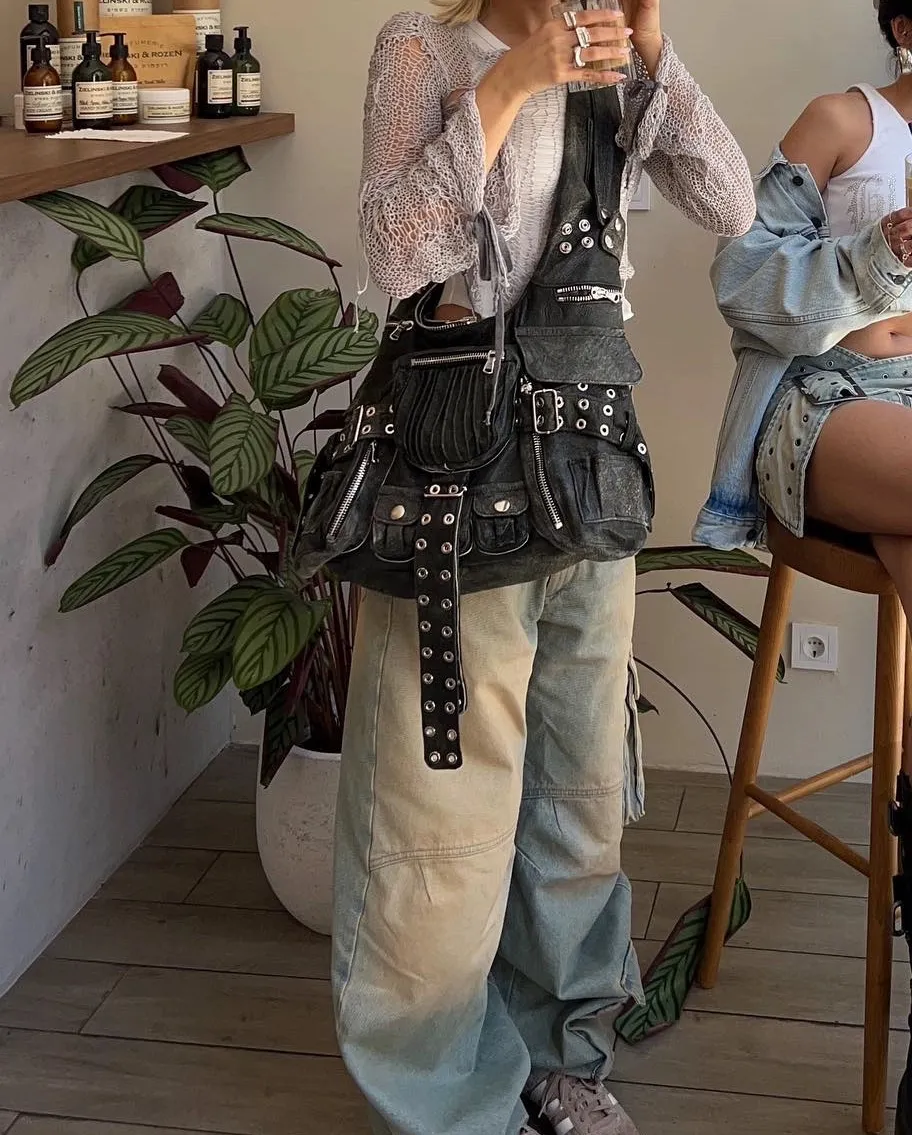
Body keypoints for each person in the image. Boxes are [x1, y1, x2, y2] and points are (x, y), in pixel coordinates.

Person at [328, 2, 754, 1134]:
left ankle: (562, 1057)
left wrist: (652, 51)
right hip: (452, 481)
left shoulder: (618, 67)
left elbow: (732, 202)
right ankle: (449, 1103)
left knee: (578, 795)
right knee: (437, 818)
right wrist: (511, 82)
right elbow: (395, 252)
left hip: (587, 477)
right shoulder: (422, 49)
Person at [695, 0, 912, 741]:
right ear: (904, 30)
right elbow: (741, 276)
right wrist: (882, 251)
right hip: (831, 393)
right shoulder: (843, 121)